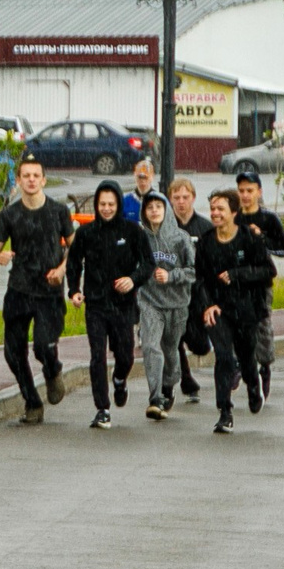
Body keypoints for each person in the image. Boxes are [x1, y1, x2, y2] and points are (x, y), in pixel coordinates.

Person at [67, 180, 147, 428]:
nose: (107, 208)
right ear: (96, 205)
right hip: (96, 304)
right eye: (102, 204)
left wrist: (132, 280)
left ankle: (120, 378)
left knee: (125, 355)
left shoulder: (132, 231)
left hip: (123, 304)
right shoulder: (86, 233)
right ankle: (102, 408)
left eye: (111, 204)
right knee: (97, 355)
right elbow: (73, 263)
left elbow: (148, 264)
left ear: (119, 204)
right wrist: (74, 291)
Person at [197, 189, 275, 432]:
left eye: (220, 209)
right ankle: (225, 411)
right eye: (212, 208)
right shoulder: (206, 241)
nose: (215, 213)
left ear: (233, 212)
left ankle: (254, 387)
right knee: (222, 355)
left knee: (246, 356)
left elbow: (267, 271)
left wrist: (238, 275)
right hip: (218, 309)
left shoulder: (249, 239)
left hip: (245, 308)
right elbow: (199, 279)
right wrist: (207, 304)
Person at [135, 191, 195, 420]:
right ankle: (155, 396)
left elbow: (194, 270)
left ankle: (169, 385)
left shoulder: (181, 238)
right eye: (149, 207)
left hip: (177, 303)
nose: (154, 211)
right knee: (151, 346)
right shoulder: (141, 239)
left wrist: (172, 276)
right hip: (150, 302)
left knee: (171, 351)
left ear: (166, 209)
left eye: (158, 206)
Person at [231, 172, 284, 403]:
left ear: (259, 192)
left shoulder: (269, 219)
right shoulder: (233, 218)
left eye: (249, 190)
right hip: (236, 282)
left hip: (261, 282)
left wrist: (261, 240)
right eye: (241, 191)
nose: (245, 195)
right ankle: (237, 366)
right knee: (236, 324)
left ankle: (264, 366)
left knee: (261, 325)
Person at [169, 177, 211, 403]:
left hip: (198, 293)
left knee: (200, 345)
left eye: (185, 197)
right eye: (176, 198)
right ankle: (185, 380)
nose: (181, 202)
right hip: (173, 294)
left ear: (193, 198)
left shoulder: (204, 228)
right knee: (174, 338)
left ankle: (195, 345)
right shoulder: (166, 229)